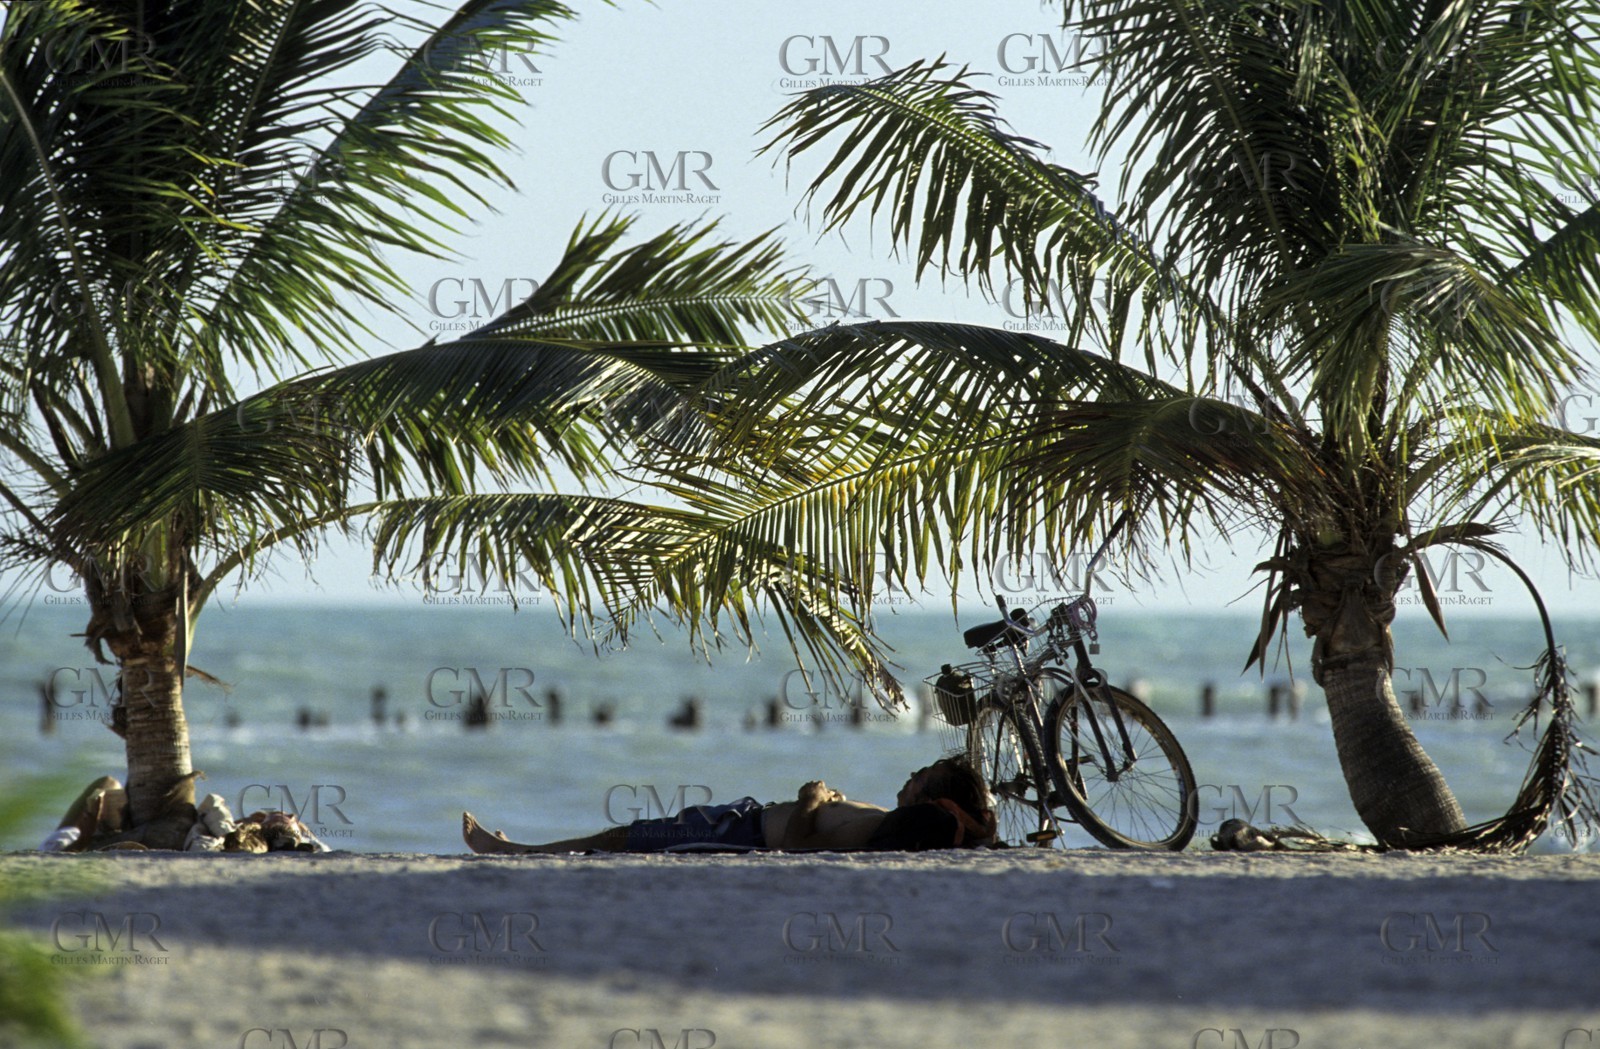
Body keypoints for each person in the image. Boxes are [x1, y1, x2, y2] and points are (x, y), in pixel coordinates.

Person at [462, 756, 997, 854]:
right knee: (629, 835)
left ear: (937, 797)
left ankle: (518, 852)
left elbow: (798, 846)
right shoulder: (903, 826)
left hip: (743, 835)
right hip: (745, 817)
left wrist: (812, 799)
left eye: (919, 777)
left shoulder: (896, 828)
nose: (908, 778)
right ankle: (522, 848)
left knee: (623, 840)